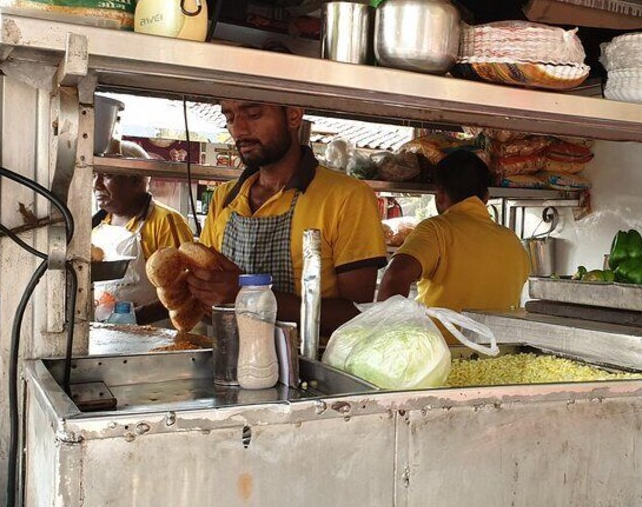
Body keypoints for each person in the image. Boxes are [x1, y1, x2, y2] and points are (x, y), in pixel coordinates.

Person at [190, 101, 387, 334]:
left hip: (309, 366)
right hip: (229, 356)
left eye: (253, 114)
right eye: (230, 118)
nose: (239, 130)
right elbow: (205, 290)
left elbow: (357, 315)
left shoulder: (347, 196)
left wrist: (248, 295)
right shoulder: (225, 197)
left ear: (294, 116)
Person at [377, 150, 529, 321]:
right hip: (499, 347)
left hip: (440, 346)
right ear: (486, 197)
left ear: (440, 194)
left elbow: (395, 275)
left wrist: (385, 335)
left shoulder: (436, 229)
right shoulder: (512, 240)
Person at [92, 148, 194, 325]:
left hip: (154, 336)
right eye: (95, 175)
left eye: (107, 176)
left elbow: (185, 290)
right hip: (104, 336)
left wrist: (133, 318)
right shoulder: (97, 225)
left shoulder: (167, 221)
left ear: (136, 180)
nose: (96, 184)